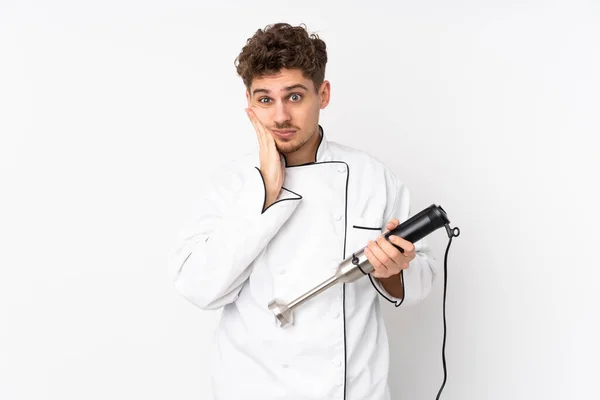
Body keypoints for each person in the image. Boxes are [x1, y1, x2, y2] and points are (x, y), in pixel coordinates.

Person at [169, 22, 440, 400]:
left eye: (294, 97)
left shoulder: (371, 178)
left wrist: (391, 272)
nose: (280, 117)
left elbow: (422, 279)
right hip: (251, 388)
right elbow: (200, 289)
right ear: (249, 102)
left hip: (352, 390)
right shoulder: (229, 185)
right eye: (265, 100)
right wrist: (265, 193)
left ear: (323, 94)